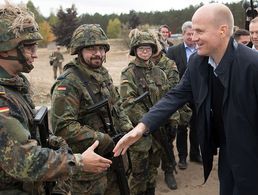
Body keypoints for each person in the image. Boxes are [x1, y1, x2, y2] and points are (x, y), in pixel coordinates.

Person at [114, 3, 258, 195]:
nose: (193, 37)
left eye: (199, 31)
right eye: (191, 31)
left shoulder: (252, 65)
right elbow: (175, 96)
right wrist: (142, 127)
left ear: (222, 31)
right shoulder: (198, 63)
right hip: (227, 153)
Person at [0, 2, 112, 194]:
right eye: (28, 47)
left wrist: (54, 142)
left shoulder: (17, 84)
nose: (35, 54)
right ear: (4, 49)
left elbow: (31, 130)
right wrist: (78, 162)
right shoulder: (3, 98)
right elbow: (22, 160)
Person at [50, 24, 133, 195]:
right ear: (79, 51)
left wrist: (128, 130)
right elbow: (63, 127)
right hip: (88, 168)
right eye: (91, 48)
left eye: (101, 48)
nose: (98, 53)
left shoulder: (102, 74)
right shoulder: (68, 82)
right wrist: (103, 139)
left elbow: (116, 105)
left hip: (112, 157)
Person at [119, 29, 169, 195]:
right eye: (141, 48)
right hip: (139, 135)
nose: (145, 51)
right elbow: (128, 103)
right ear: (135, 50)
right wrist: (149, 122)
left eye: (148, 48)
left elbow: (168, 98)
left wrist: (171, 121)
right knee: (138, 175)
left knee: (153, 171)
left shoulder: (160, 73)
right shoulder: (129, 73)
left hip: (158, 133)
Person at [167, 21, 202, 170]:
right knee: (182, 127)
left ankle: (195, 153)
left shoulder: (202, 49)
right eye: (188, 34)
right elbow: (167, 73)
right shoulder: (173, 51)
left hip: (199, 95)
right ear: (182, 35)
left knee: (197, 126)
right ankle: (182, 157)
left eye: (193, 33)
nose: (191, 36)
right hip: (181, 95)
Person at [150, 32, 180, 190]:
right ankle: (150, 174)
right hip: (147, 115)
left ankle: (169, 171)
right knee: (149, 148)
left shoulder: (169, 65)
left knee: (167, 143)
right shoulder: (142, 64)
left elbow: (174, 92)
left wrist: (172, 117)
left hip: (167, 114)